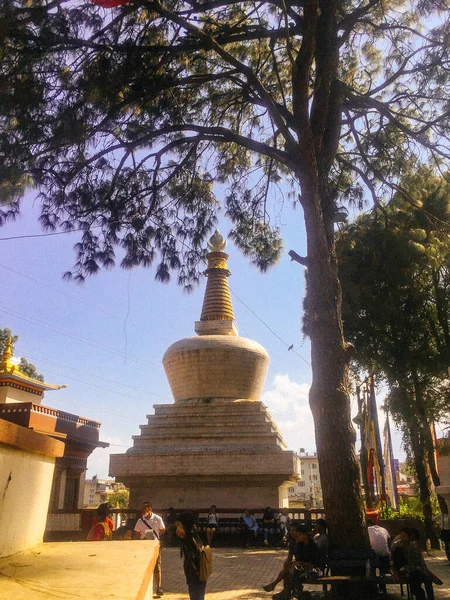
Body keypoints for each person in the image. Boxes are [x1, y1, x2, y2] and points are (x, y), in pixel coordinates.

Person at [134, 502, 166, 596]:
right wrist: (142, 538)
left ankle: (159, 587)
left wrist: (156, 537)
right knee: (144, 566)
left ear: (150, 509)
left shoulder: (157, 519)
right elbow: (136, 531)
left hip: (155, 544)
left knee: (157, 566)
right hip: (144, 545)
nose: (143, 511)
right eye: (142, 509)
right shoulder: (140, 521)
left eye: (145, 509)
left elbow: (163, 529)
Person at [176, 513, 208, 600]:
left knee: (195, 594)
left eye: (179, 525)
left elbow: (194, 557)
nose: (177, 528)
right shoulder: (193, 534)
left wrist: (196, 571)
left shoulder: (189, 539)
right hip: (197, 572)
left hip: (195, 572)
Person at [262, 521, 298, 598]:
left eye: (294, 530)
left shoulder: (302, 542)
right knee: (287, 573)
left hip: (303, 565)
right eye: (291, 530)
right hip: (296, 565)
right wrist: (287, 562)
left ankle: (276, 584)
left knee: (288, 572)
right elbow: (290, 557)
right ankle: (285, 593)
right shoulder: (292, 543)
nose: (292, 532)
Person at [291, 524, 320, 598]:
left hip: (312, 569)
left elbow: (313, 563)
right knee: (289, 572)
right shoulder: (300, 544)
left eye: (299, 535)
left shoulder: (313, 545)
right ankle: (293, 592)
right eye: (297, 535)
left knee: (293, 572)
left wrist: (300, 563)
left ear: (305, 535)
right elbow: (298, 558)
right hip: (302, 567)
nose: (298, 537)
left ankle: (296, 592)